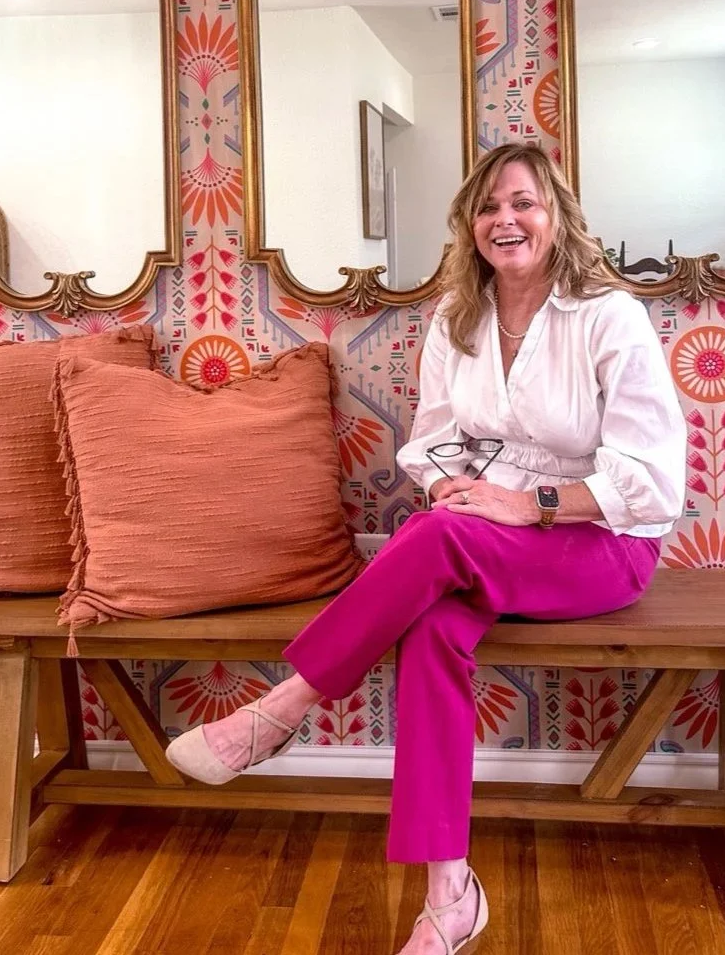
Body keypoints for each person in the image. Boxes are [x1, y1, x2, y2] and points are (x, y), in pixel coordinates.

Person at [166, 141, 687, 954]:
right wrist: (453, 486)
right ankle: (450, 893)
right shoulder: (456, 319)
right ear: (468, 225)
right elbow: (434, 440)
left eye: (522, 202)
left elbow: (651, 481)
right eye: (487, 207)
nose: (504, 220)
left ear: (555, 216)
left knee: (433, 535)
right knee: (434, 621)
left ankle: (283, 705)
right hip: (480, 535)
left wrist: (526, 504)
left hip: (600, 542)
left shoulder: (607, 315)